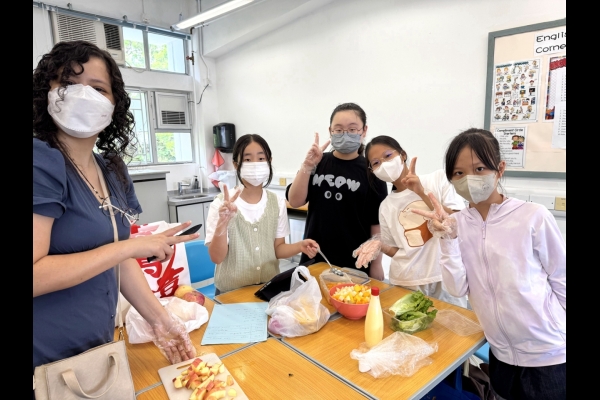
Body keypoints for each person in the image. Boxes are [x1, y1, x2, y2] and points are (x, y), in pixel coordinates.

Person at [33, 41, 199, 384]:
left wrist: (161, 321)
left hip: (94, 351)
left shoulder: (111, 169)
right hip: (45, 362)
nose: (83, 95)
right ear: (46, 92)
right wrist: (130, 247)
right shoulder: (40, 162)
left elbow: (117, 260)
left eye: (98, 88)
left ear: (114, 104)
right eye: (68, 83)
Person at [413, 128, 566, 400]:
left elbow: (561, 277)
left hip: (548, 355)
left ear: (500, 169)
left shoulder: (533, 216)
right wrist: (448, 240)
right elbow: (457, 288)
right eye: (459, 173)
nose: (469, 178)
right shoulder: (456, 224)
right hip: (501, 355)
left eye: (480, 168)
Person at [353, 135, 468, 308]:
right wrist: (381, 246)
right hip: (406, 281)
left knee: (453, 323)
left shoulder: (437, 179)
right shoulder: (385, 206)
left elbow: (461, 222)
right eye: (376, 163)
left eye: (388, 156)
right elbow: (399, 250)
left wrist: (421, 192)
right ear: (372, 170)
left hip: (444, 278)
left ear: (403, 155)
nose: (384, 164)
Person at [205, 134, 319, 294]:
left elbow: (277, 249)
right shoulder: (221, 204)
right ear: (236, 165)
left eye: (261, 158)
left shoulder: (276, 202)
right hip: (230, 293)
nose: (255, 164)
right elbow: (217, 258)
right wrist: (222, 223)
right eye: (247, 159)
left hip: (266, 291)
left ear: (269, 162)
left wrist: (299, 246)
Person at [286, 103, 388, 280]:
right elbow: (294, 201)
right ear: (330, 131)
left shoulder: (373, 171)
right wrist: (307, 166)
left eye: (352, 129)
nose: (345, 134)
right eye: (339, 130)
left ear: (364, 131)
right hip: (314, 258)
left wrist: (377, 264)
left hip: (355, 263)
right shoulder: (317, 162)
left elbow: (377, 224)